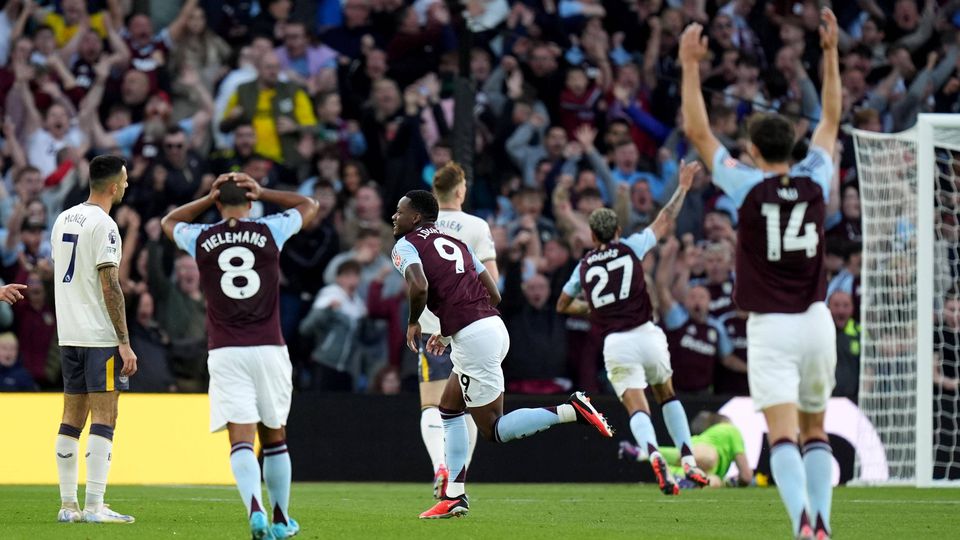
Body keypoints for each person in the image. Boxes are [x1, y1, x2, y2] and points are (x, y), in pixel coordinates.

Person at [679, 9, 841, 540]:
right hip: (818, 320)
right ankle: (824, 524)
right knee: (816, 430)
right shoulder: (817, 176)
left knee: (784, 434)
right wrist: (832, 54)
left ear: (752, 151)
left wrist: (689, 65)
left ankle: (802, 524)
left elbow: (699, 133)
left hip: (770, 326)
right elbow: (831, 121)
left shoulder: (746, 185)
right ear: (793, 147)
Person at [391, 190, 613, 519]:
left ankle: (571, 410)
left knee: (493, 429)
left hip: (474, 339)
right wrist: (449, 330)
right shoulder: (458, 243)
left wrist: (413, 323)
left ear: (416, 218)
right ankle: (454, 493)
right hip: (493, 328)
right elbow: (493, 293)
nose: (394, 217)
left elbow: (420, 286)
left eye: (400, 211)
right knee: (449, 408)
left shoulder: (405, 244)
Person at [161, 172, 319, 539]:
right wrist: (265, 191)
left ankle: (255, 509)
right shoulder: (269, 230)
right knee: (275, 437)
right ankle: (281, 518)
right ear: (250, 204)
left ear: (218, 204)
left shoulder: (201, 236)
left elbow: (168, 222)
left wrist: (206, 196)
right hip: (269, 346)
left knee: (242, 439)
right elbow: (309, 205)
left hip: (226, 349)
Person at [556, 161, 710, 496]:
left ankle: (654, 453)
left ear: (593, 235)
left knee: (636, 405)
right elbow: (665, 219)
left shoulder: (583, 266)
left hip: (616, 344)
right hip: (648, 334)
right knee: (667, 395)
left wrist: (592, 306)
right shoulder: (631, 247)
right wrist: (682, 187)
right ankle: (688, 460)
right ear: (617, 231)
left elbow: (562, 305)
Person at [51, 154, 137, 524]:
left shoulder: (62, 219)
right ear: (115, 185)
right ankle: (95, 505)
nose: (128, 185)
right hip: (98, 336)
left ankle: (68, 505)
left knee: (71, 417)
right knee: (106, 416)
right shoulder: (105, 225)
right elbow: (109, 284)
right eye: (126, 180)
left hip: (68, 333)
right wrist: (124, 340)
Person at [416, 162, 498, 499]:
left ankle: (440, 465)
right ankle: (458, 477)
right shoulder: (477, 226)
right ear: (461, 191)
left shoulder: (419, 229)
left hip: (430, 329)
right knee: (467, 404)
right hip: (470, 327)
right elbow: (492, 276)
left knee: (432, 405)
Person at [621, 411, 753, 489]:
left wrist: (728, 482)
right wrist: (740, 481)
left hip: (675, 472)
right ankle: (642, 452)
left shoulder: (696, 439)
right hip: (690, 462)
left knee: (715, 481)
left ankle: (685, 483)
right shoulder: (730, 429)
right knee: (709, 459)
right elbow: (746, 475)